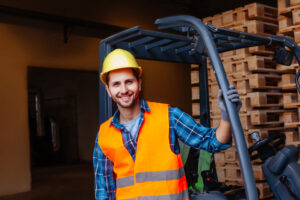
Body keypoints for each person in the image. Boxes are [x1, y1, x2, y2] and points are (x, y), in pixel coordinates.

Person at [93, 48, 242, 200]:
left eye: (129, 82)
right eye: (116, 84)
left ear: (139, 84)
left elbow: (212, 142)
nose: (124, 90)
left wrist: (226, 116)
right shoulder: (104, 135)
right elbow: (104, 192)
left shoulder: (169, 116)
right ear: (108, 90)